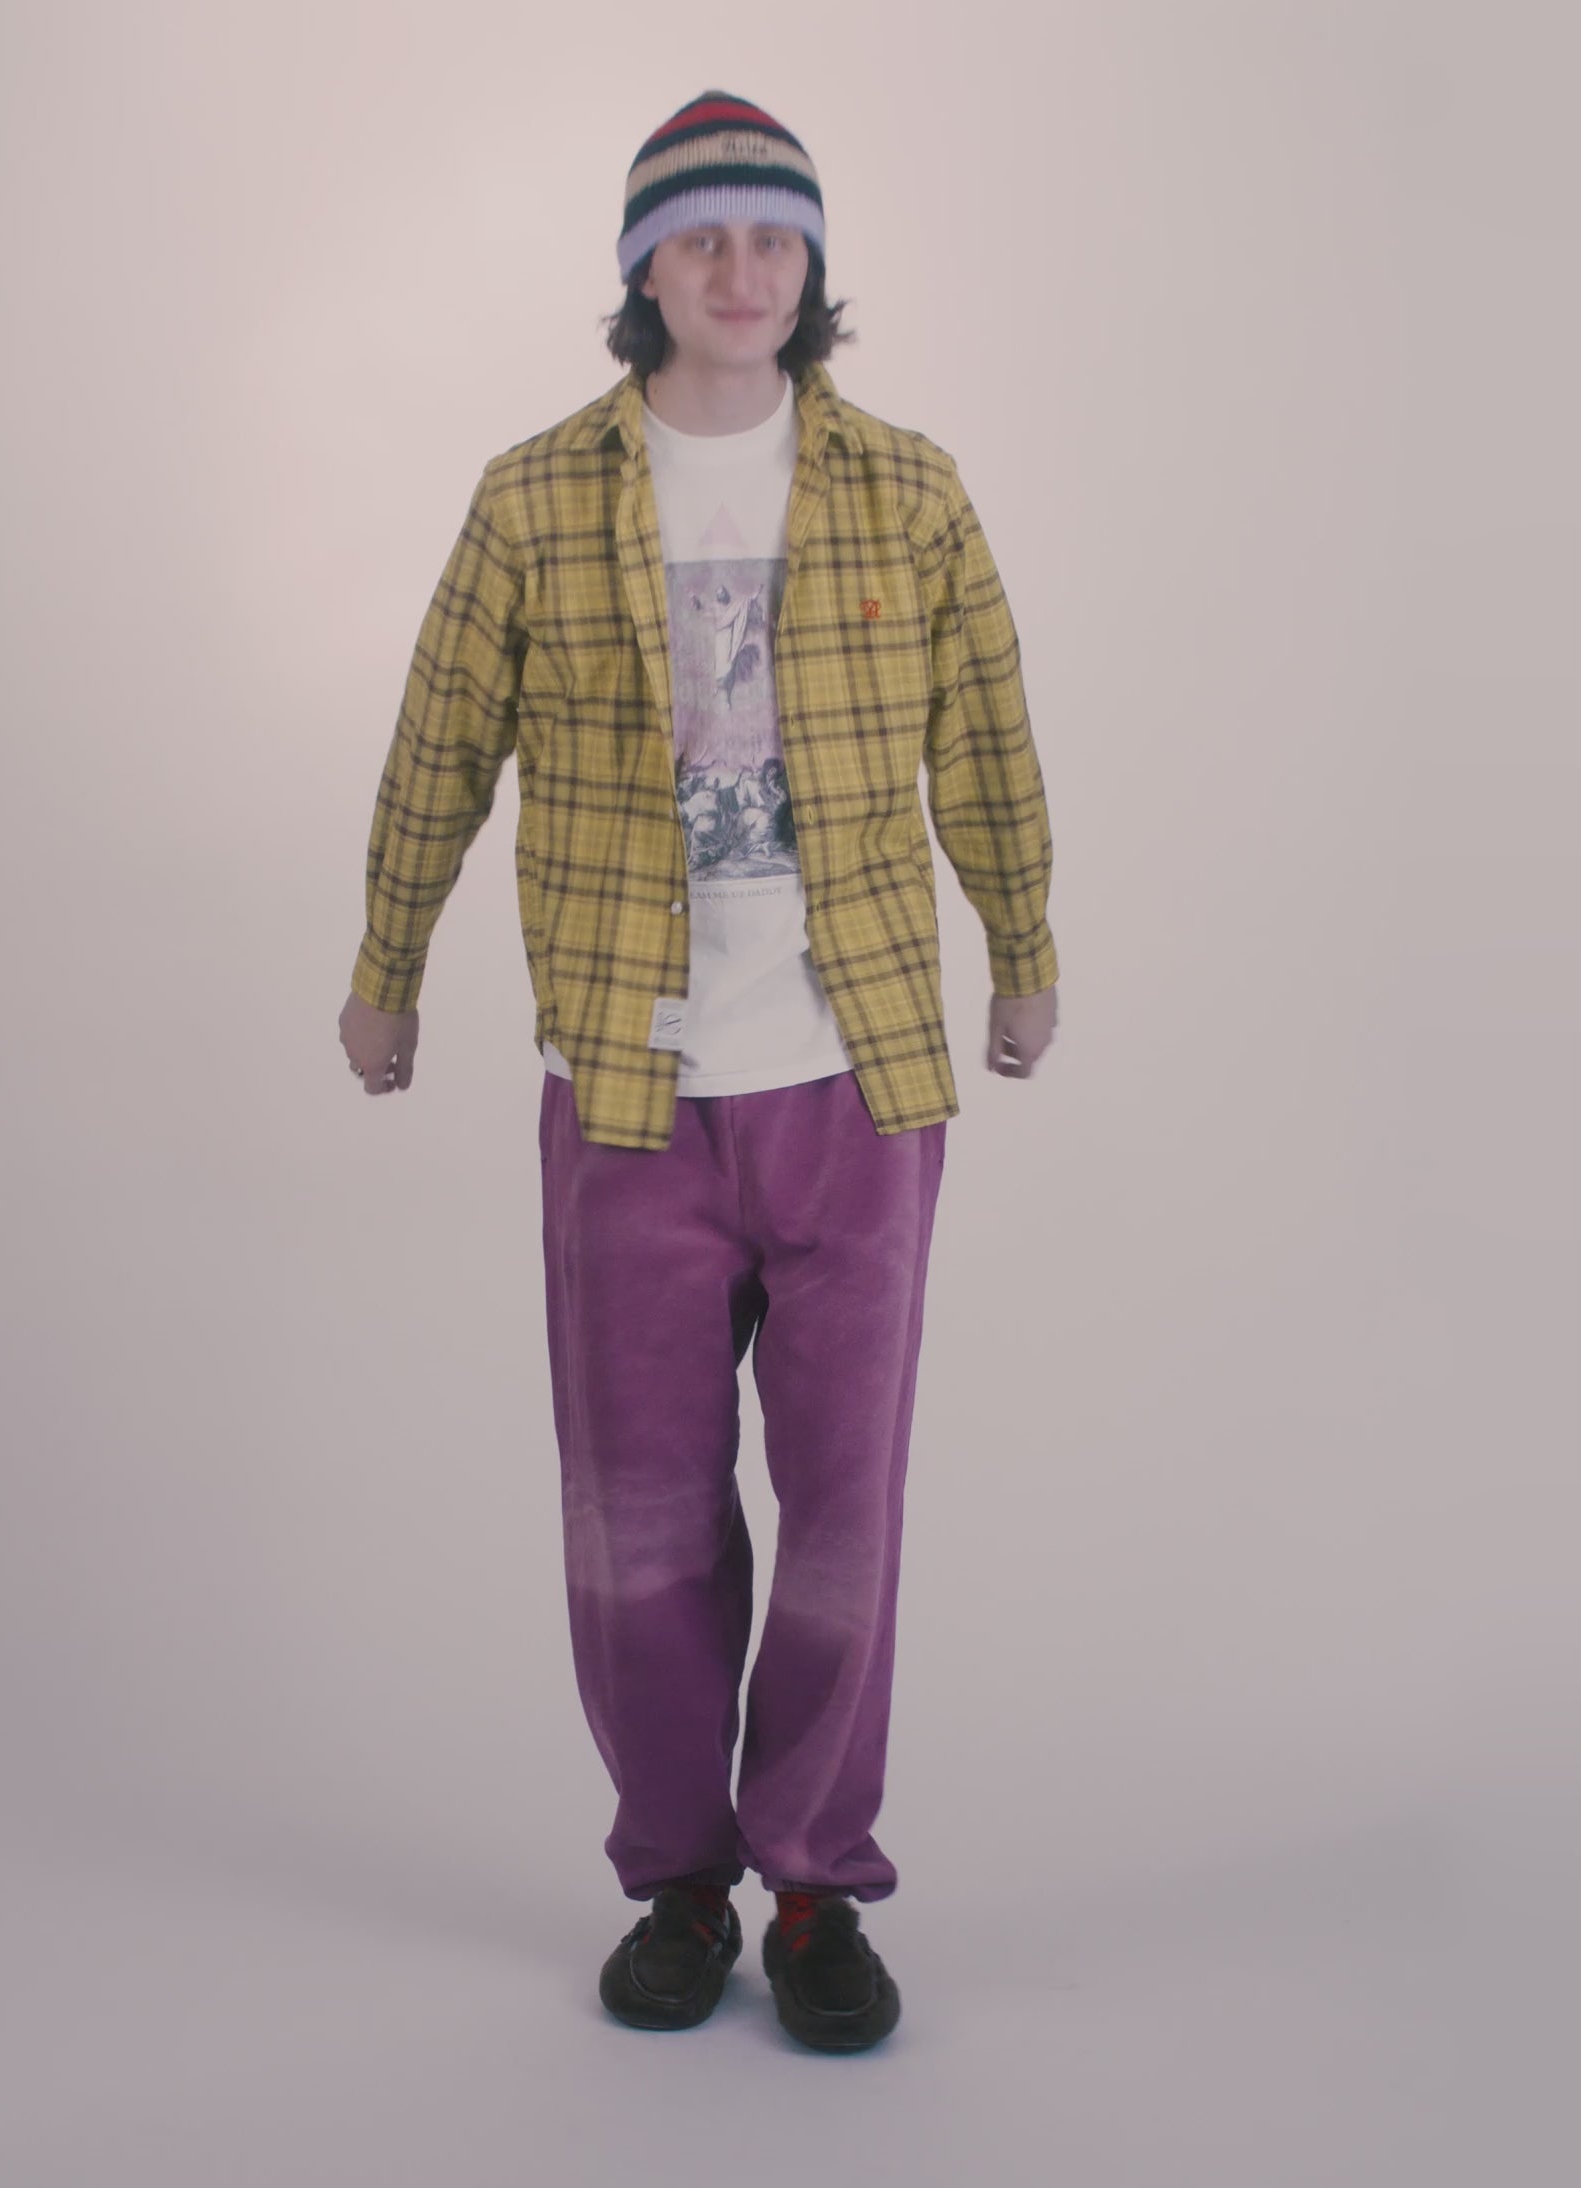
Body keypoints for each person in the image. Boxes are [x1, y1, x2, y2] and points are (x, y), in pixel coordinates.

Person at [337, 88, 1059, 2051]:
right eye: (700, 237)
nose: (740, 272)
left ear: (811, 267)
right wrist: (386, 970)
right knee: (637, 1513)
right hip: (628, 1093)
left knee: (843, 1509)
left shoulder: (907, 490)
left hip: (854, 1086)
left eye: (772, 237)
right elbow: (436, 743)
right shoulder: (532, 499)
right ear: (641, 269)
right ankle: (675, 1871)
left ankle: (814, 1880)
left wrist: (1019, 946)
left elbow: (988, 735)